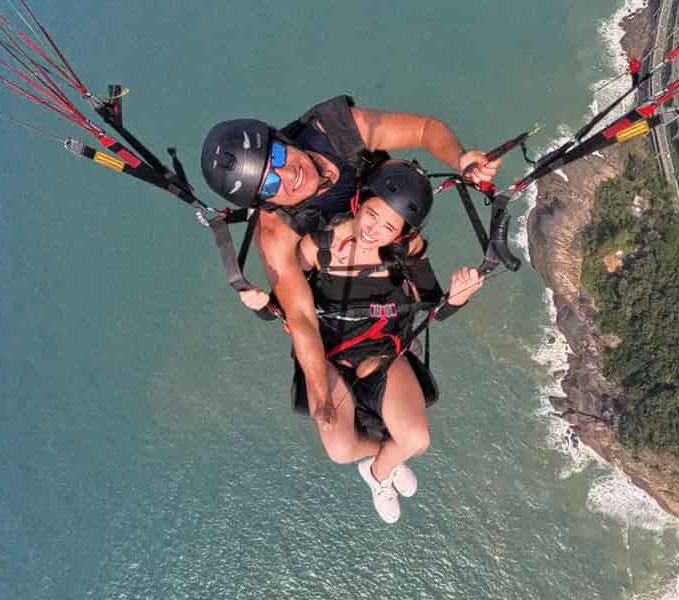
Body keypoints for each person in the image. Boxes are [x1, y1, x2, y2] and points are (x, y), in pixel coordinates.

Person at [200, 96, 499, 438]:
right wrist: (321, 394)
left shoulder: (334, 133)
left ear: (282, 138)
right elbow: (301, 319)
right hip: (338, 267)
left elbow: (424, 129)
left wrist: (459, 159)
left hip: (383, 218)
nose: (289, 175)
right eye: (270, 184)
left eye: (279, 157)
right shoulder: (275, 233)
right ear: (264, 202)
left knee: (405, 288)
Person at [242, 159, 484, 522]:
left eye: (389, 226)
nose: (374, 230)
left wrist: (459, 297)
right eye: (371, 215)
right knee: (340, 450)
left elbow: (431, 306)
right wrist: (264, 307)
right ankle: (384, 456)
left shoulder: (405, 253)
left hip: (383, 354)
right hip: (328, 358)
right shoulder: (319, 244)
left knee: (417, 440)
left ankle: (378, 473)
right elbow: (290, 299)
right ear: (359, 203)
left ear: (402, 232)